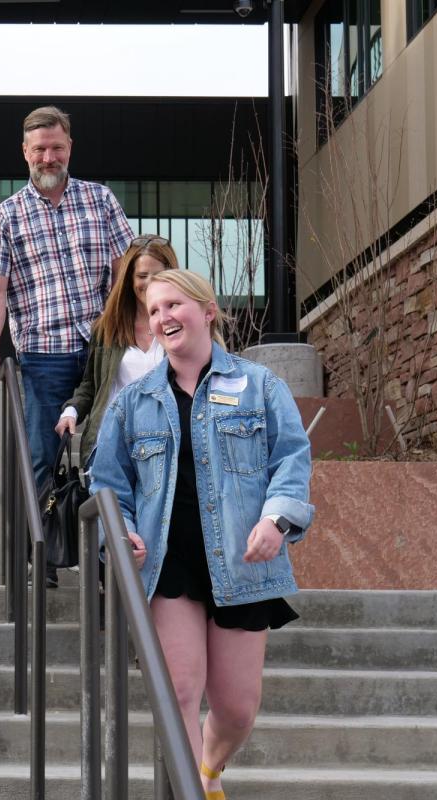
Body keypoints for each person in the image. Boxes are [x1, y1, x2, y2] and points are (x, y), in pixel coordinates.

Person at [89, 270, 314, 800]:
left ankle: (207, 774)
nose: (163, 317)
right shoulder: (132, 402)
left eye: (174, 305)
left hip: (242, 561)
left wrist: (276, 520)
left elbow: (292, 460)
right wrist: (119, 533)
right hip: (168, 563)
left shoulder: (261, 386)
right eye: (154, 309)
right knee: (181, 693)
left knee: (236, 708)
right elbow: (107, 486)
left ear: (208, 310)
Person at [0, 105, 134, 489]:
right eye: (40, 149)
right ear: (25, 152)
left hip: (105, 343)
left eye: (57, 148)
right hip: (45, 353)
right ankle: (43, 545)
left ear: (70, 147)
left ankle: (112, 537)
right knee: (44, 454)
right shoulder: (6, 216)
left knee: (117, 442)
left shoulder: (101, 200)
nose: (49, 158)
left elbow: (125, 271)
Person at [55, 236, 179, 468]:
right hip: (110, 447)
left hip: (164, 449)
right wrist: (71, 411)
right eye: (142, 276)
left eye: (158, 275)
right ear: (129, 279)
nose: (150, 283)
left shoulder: (181, 326)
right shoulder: (107, 328)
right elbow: (92, 384)